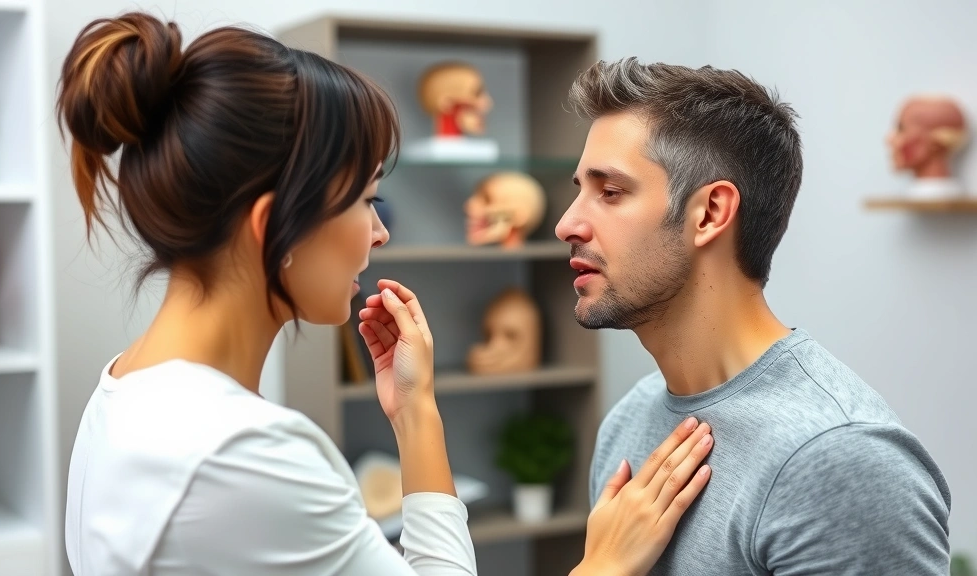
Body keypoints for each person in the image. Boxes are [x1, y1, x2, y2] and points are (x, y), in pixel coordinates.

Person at [57, 13, 715, 576]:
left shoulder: (121, 394)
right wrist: (602, 565)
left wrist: (413, 409)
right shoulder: (243, 454)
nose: (377, 234)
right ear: (271, 228)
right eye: (368, 200)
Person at [558, 57, 953, 575]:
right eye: (579, 192)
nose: (568, 224)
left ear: (710, 214)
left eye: (610, 192)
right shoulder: (630, 420)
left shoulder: (837, 458)